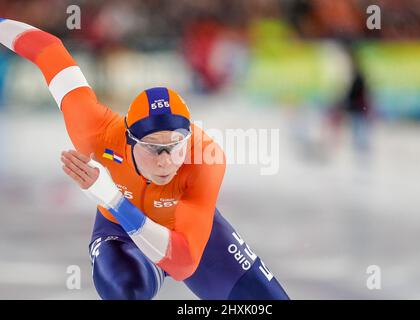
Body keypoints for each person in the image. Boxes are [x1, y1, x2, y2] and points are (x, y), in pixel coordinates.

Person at [0, 18, 290, 300]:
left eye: (176, 146)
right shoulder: (95, 132)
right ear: (128, 141)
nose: (165, 161)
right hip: (121, 232)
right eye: (152, 148)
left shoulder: (204, 158)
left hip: (183, 229)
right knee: (125, 291)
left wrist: (112, 197)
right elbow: (48, 49)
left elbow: (183, 263)